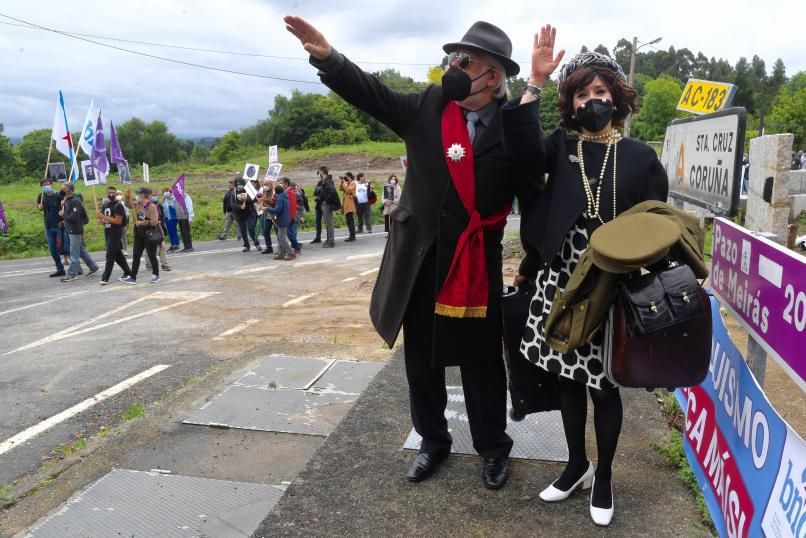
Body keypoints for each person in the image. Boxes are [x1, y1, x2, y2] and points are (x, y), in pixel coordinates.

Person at [286, 16, 535, 489]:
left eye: (465, 61)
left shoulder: (513, 128)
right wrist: (330, 59)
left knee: (482, 363)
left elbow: (535, 192)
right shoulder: (428, 106)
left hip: (474, 265)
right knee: (421, 361)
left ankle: (493, 448)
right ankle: (433, 443)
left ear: (494, 76)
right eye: (451, 59)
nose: (453, 68)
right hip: (420, 261)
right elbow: (372, 94)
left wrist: (533, 259)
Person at [509, 33, 669, 526]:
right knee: (565, 378)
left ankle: (603, 475)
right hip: (560, 279)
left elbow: (659, 226)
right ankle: (575, 463)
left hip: (612, 287)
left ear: (617, 98)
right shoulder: (560, 147)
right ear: (571, 103)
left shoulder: (641, 157)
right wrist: (534, 82)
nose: (592, 101)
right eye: (582, 94)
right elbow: (520, 154)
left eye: (601, 93)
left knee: (604, 385)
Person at [59, 182, 99, 281]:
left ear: (70, 190)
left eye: (64, 188)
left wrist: (63, 215)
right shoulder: (67, 200)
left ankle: (71, 274)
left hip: (75, 230)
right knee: (81, 250)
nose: (62, 189)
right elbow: (70, 215)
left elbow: (74, 217)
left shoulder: (75, 201)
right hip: (71, 229)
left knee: (74, 253)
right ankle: (93, 267)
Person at [121, 187, 161, 284]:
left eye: (138, 194)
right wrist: (127, 196)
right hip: (139, 234)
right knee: (136, 255)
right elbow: (127, 204)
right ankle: (133, 276)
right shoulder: (136, 205)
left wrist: (142, 223)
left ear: (143, 195)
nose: (136, 195)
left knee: (151, 255)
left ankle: (156, 274)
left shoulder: (152, 206)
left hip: (150, 233)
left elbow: (155, 221)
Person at [96, 185, 132, 285]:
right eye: (109, 192)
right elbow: (105, 220)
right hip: (108, 232)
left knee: (110, 255)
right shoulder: (106, 205)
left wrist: (103, 217)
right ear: (106, 193)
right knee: (118, 255)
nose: (111, 194)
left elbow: (118, 221)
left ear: (116, 194)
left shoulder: (118, 205)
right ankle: (128, 272)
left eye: (113, 192)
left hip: (116, 232)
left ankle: (105, 277)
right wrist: (101, 219)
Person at [37, 178, 68, 277]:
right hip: (48, 226)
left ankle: (77, 267)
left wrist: (64, 205)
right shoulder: (41, 196)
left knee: (65, 247)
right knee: (52, 249)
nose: (46, 186)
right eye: (44, 185)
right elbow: (39, 207)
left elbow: (67, 207)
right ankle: (60, 269)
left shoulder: (59, 195)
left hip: (59, 225)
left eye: (47, 184)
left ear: (51, 184)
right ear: (41, 187)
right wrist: (39, 207)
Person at [266, 184, 295, 260]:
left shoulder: (280, 199)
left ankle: (290, 253)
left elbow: (277, 210)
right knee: (280, 237)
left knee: (282, 238)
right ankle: (280, 253)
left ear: (276, 192)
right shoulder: (284, 197)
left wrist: (266, 208)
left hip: (282, 220)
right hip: (285, 219)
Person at [235, 182, 262, 252]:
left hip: (249, 214)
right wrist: (240, 206)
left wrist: (246, 199)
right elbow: (233, 205)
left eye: (242, 192)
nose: (241, 194)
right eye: (239, 192)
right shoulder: (234, 195)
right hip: (240, 215)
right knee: (243, 230)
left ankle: (256, 243)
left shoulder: (248, 193)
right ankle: (246, 245)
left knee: (251, 228)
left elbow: (255, 200)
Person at [281, 177, 303, 254]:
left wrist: (291, 217)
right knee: (289, 234)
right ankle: (295, 248)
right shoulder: (286, 192)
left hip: (290, 216)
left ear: (286, 184)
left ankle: (296, 248)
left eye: (282, 183)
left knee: (290, 234)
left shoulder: (290, 193)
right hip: (288, 216)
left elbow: (292, 206)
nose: (282, 185)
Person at [319, 172, 339, 247]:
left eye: (319, 173)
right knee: (327, 224)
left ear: (322, 173)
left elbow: (332, 191)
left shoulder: (328, 182)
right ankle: (328, 240)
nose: (319, 175)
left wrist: (326, 201)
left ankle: (331, 242)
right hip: (325, 204)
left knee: (329, 224)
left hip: (327, 205)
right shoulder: (326, 182)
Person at [257, 180, 275, 254]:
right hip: (267, 215)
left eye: (266, 185)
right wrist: (261, 202)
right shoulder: (265, 192)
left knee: (279, 233)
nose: (265, 186)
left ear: (270, 184)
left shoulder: (274, 192)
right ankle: (269, 247)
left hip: (275, 216)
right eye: (264, 185)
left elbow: (273, 203)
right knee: (265, 231)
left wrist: (265, 200)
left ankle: (283, 247)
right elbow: (264, 203)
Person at [310, 166, 327, 244]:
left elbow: (317, 191)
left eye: (319, 174)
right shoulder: (320, 182)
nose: (318, 175)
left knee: (326, 221)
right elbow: (315, 193)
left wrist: (316, 189)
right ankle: (318, 237)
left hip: (324, 203)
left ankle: (327, 237)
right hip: (318, 203)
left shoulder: (326, 181)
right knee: (318, 221)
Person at [340, 173, 357, 242]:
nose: (345, 178)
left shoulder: (353, 183)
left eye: (346, 177)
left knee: (350, 221)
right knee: (348, 221)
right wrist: (342, 182)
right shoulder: (347, 183)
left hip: (350, 204)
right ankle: (351, 235)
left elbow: (348, 190)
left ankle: (352, 236)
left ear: (350, 177)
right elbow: (341, 189)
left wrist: (344, 183)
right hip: (346, 204)